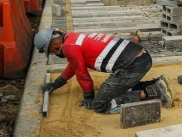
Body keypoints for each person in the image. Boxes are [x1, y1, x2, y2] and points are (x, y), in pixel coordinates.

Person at [34, 28, 173, 114]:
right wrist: (57, 84)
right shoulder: (73, 38)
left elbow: (82, 73)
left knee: (100, 105)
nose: (54, 52)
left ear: (53, 43)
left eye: (51, 51)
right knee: (118, 86)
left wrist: (88, 96)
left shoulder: (68, 47)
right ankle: (157, 83)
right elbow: (74, 66)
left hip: (132, 66)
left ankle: (152, 92)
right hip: (141, 59)